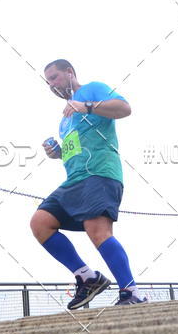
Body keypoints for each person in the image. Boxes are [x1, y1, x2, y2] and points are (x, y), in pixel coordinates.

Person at [30, 58, 147, 308]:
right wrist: (58, 153)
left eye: (55, 77)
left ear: (69, 73)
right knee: (40, 223)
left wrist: (87, 106)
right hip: (74, 181)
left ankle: (132, 292)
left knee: (98, 232)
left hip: (101, 174)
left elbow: (124, 108)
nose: (51, 84)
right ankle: (87, 278)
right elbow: (76, 149)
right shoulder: (64, 120)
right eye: (47, 81)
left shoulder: (91, 90)